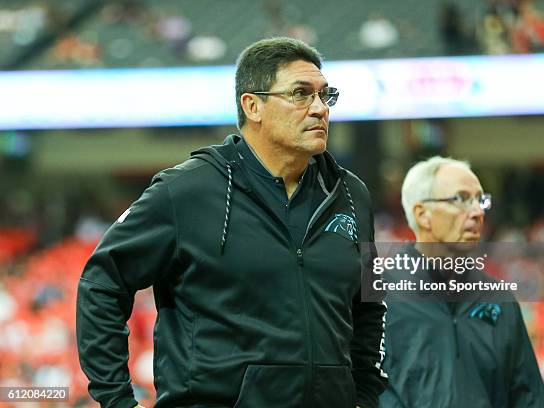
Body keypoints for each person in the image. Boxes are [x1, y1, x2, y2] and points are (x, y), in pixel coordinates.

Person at [76, 37, 387, 408]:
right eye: (301, 94)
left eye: (325, 95)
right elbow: (101, 284)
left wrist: (365, 396)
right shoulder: (186, 190)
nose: (319, 109)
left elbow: (369, 307)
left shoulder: (352, 194)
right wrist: (116, 401)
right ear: (252, 105)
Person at [379, 156, 544, 407]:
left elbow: (527, 397)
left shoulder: (498, 299)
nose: (477, 211)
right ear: (422, 214)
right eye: (460, 199)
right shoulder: (376, 295)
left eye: (480, 200)